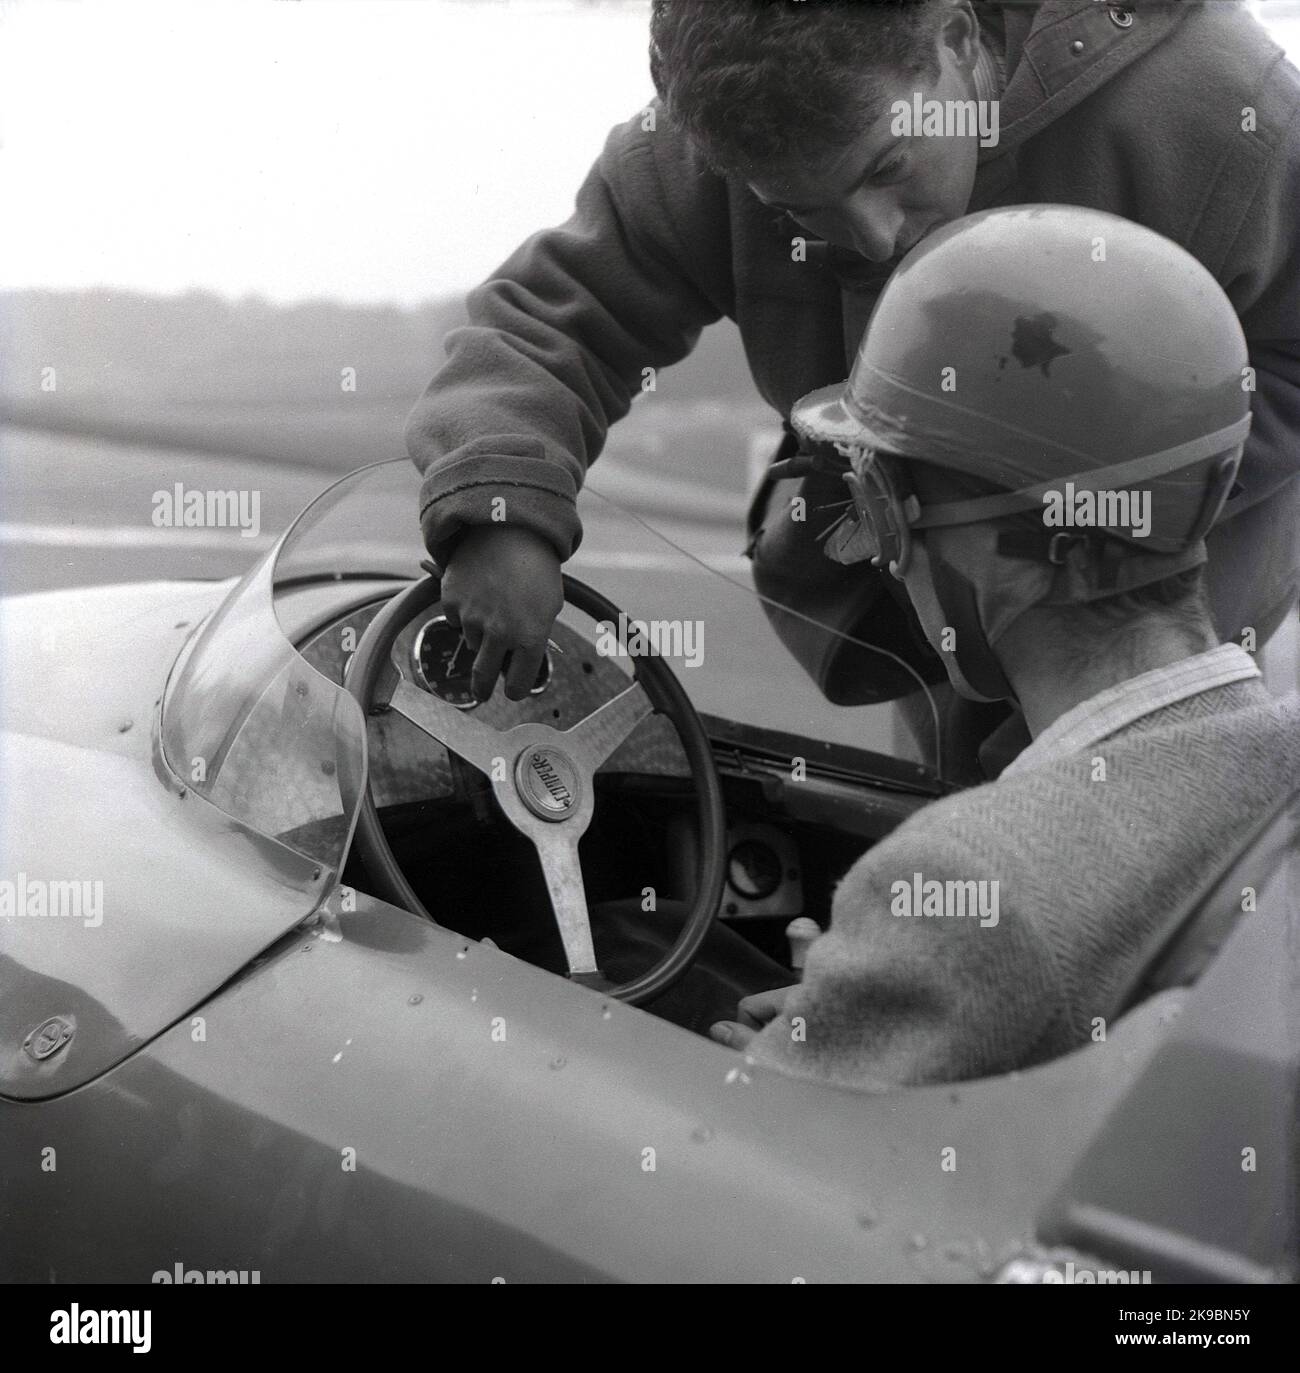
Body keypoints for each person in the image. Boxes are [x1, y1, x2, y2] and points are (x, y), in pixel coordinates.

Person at [404, 0, 1300, 779]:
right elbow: (555, 321)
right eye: (800, 209)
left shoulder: (1221, 105)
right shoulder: (718, 136)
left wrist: (1074, 507)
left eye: (887, 169)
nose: (872, 239)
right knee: (952, 852)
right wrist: (498, 507)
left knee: (1137, 843)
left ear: (954, 40)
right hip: (923, 597)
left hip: (1156, 599)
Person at [706, 204, 1300, 1088]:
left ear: (1009, 562)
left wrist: (806, 1048)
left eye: (877, 507)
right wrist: (880, 1011)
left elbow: (771, 1163)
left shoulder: (960, 887)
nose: (884, 558)